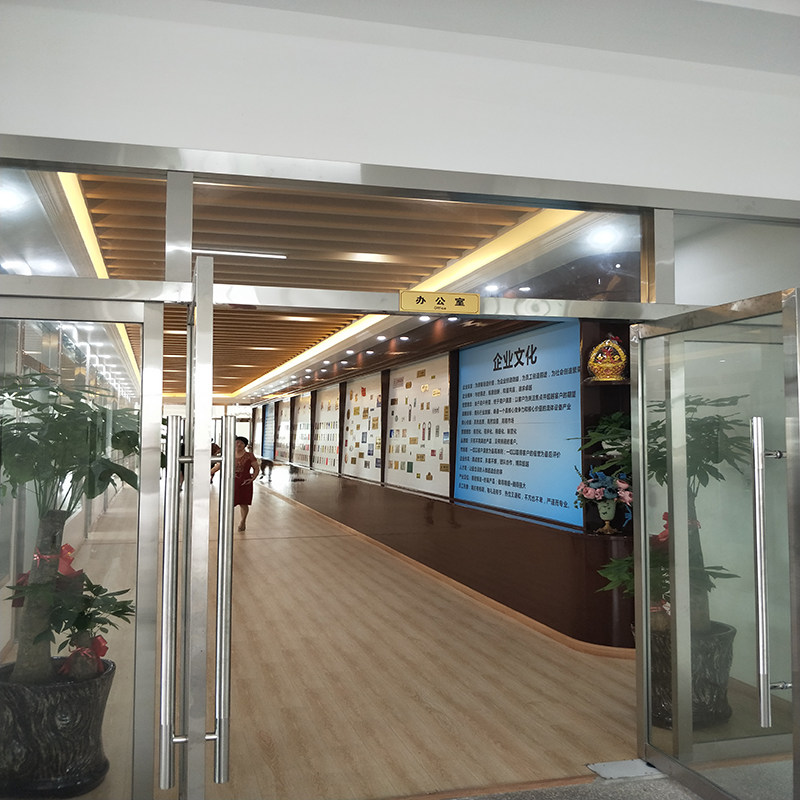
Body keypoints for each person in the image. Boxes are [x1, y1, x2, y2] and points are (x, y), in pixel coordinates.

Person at [210, 436, 259, 530]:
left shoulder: (249, 455)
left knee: (243, 503)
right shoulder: (229, 455)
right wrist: (209, 472)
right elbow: (218, 466)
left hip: (245, 482)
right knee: (228, 503)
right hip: (231, 482)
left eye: (241, 443)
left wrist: (252, 479)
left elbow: (256, 468)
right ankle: (227, 523)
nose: (238, 444)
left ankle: (243, 521)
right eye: (237, 442)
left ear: (245, 445)